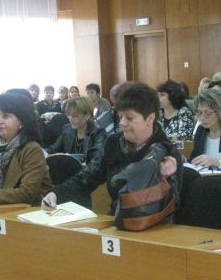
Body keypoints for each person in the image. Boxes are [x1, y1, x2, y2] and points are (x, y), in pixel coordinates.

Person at [42, 83, 181, 215]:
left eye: (129, 118)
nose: (122, 123)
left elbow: (173, 202)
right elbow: (87, 177)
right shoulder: (114, 143)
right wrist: (56, 193)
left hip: (157, 224)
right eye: (120, 117)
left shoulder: (167, 152)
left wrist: (165, 176)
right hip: (118, 220)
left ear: (150, 118)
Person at [46, 96, 107, 163]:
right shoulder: (67, 129)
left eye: (75, 116)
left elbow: (96, 161)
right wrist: (41, 153)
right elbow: (52, 150)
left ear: (87, 115)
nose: (70, 119)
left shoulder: (98, 132)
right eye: (69, 115)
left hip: (87, 168)